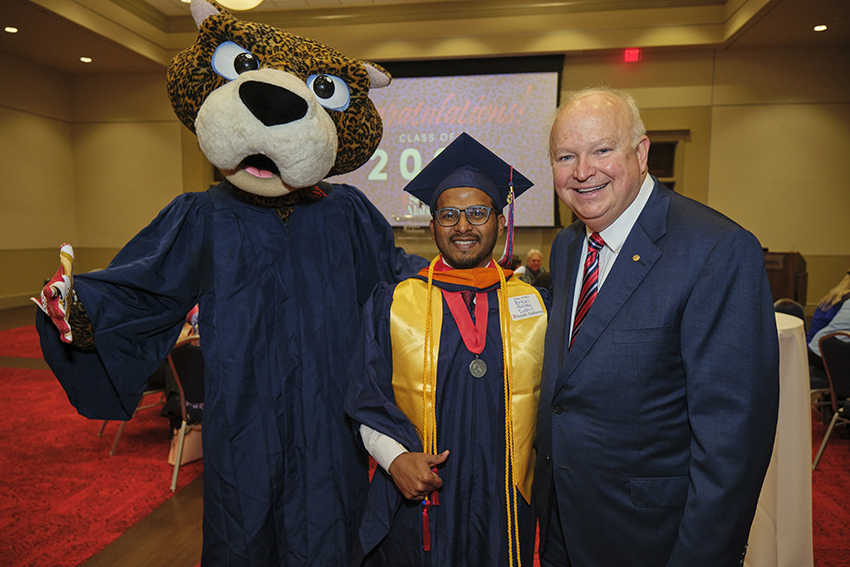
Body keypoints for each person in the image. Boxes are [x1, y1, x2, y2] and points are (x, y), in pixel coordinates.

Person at [535, 87, 779, 567]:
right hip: (565, 523)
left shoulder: (717, 249)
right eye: (566, 156)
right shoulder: (568, 247)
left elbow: (733, 441)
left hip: (655, 538)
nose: (582, 172)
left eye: (602, 150)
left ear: (641, 152)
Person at [346, 133, 549, 567]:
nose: (462, 226)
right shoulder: (395, 302)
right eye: (448, 214)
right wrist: (395, 459)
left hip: (507, 501)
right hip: (421, 499)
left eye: (477, 213)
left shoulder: (535, 307)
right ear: (432, 223)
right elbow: (366, 396)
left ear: (499, 220)